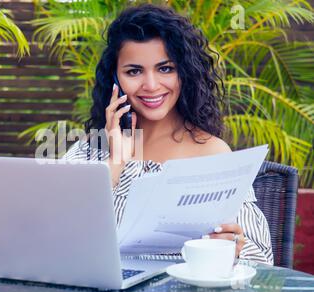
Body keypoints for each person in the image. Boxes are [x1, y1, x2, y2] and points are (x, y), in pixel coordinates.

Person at [62, 4, 273, 265]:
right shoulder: (88, 150)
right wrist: (115, 163)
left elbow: (260, 260)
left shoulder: (212, 154)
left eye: (165, 69)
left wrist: (232, 247)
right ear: (115, 79)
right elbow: (55, 234)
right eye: (134, 71)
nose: (151, 86)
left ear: (184, 73)